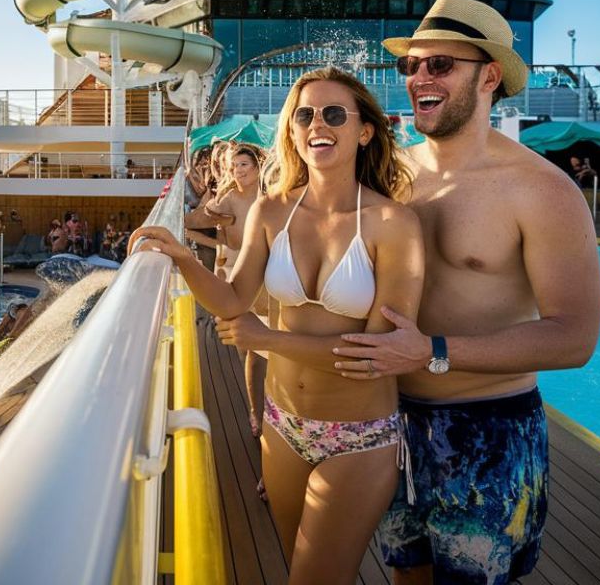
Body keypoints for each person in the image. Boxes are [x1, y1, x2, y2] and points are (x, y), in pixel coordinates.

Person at [333, 0, 600, 584]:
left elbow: (575, 338)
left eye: (440, 65)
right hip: (390, 420)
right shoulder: (389, 174)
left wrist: (432, 350)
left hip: (488, 430)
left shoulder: (541, 190)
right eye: (412, 66)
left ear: (489, 76)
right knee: (406, 576)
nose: (419, 79)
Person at [131, 66, 424, 582]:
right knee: (296, 568)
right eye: (305, 114)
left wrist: (266, 339)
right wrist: (181, 255)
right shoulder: (272, 210)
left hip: (359, 437)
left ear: (364, 131)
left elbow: (377, 352)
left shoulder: (391, 224)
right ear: (291, 130)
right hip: (282, 425)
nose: (318, 124)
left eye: (335, 113)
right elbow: (233, 297)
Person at [205, 143, 270, 437]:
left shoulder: (272, 195)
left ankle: (274, 410)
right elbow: (214, 228)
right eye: (235, 166)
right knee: (255, 349)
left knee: (271, 347)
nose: (238, 170)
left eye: (244, 165)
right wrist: (216, 216)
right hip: (244, 268)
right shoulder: (229, 197)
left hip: (273, 272)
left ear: (258, 167)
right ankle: (258, 413)